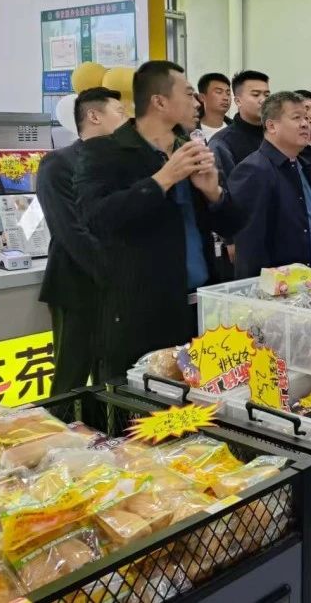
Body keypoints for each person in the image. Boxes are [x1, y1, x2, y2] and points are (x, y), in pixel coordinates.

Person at [75, 60, 238, 377]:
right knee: (147, 401)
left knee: (200, 400)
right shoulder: (105, 152)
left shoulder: (189, 148)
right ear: (159, 102)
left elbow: (231, 225)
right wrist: (162, 179)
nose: (197, 103)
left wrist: (213, 193)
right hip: (141, 312)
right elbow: (96, 218)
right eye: (188, 94)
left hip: (200, 306)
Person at [37, 87, 127, 394]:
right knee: (71, 377)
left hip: (121, 290)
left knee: (112, 377)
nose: (126, 120)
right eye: (120, 112)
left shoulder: (124, 164)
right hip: (77, 284)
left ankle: (104, 426)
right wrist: (115, 272)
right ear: (94, 116)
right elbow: (70, 231)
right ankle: (61, 425)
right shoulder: (58, 164)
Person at [228, 92, 311, 279]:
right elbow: (250, 248)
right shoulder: (254, 170)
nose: (305, 124)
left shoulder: (303, 165)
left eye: (306, 118)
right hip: (281, 287)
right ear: (271, 126)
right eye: (296, 118)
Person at [209, 70, 270, 179]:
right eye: (256, 95)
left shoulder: (277, 133)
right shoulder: (222, 143)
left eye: (267, 95)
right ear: (238, 101)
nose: (263, 100)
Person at [197, 72, 232, 139]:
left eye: (228, 93)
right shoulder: (189, 130)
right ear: (202, 97)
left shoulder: (237, 128)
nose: (226, 98)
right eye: (219, 92)